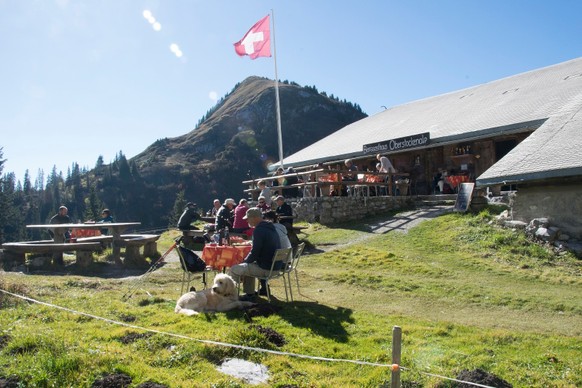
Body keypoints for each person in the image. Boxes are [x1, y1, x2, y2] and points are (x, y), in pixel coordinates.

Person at [229, 207, 281, 301]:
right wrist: (246, 263)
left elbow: (254, 252)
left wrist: (243, 263)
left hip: (266, 268)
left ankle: (230, 296)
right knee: (248, 266)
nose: (247, 221)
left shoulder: (258, 230)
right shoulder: (270, 228)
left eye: (248, 218)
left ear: (255, 218)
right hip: (275, 266)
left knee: (233, 269)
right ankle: (249, 295)